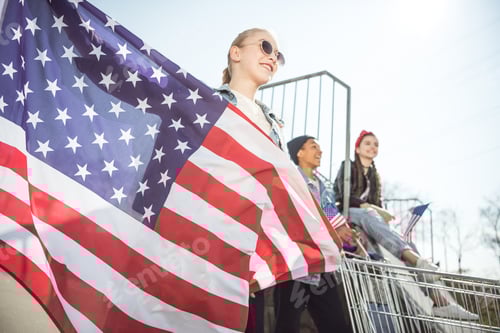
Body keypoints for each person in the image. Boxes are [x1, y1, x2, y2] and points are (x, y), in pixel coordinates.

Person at [334, 130, 479, 320]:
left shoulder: (375, 174)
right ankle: (415, 261)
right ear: (357, 147)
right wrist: (370, 206)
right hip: (349, 214)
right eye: (368, 143)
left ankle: (440, 301)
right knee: (370, 214)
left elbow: (378, 204)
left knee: (404, 241)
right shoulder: (348, 166)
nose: (372, 147)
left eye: (376, 144)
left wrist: (379, 212)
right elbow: (341, 196)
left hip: (370, 219)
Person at [214, 27, 287, 333]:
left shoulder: (275, 125)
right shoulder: (207, 104)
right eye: (266, 46)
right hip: (211, 235)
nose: (272, 57)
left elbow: (284, 186)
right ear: (236, 52)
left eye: (278, 55)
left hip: (251, 244)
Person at [273, 135, 352, 333]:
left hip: (322, 267)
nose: (320, 151)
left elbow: (331, 215)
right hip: (295, 264)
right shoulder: (290, 179)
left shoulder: (322, 187)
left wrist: (342, 231)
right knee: (287, 325)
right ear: (299, 152)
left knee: (336, 324)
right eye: (313, 146)